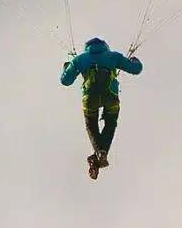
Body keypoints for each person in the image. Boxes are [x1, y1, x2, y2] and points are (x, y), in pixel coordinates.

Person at [60, 38, 143, 179]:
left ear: (87, 47)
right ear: (105, 47)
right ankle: (101, 153)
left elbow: (65, 81)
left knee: (91, 125)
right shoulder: (113, 56)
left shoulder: (80, 59)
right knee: (110, 123)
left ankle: (99, 153)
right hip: (110, 96)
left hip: (90, 98)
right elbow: (136, 69)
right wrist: (135, 60)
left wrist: (66, 67)